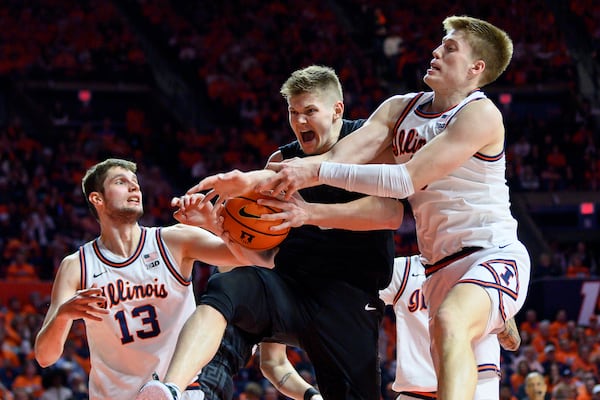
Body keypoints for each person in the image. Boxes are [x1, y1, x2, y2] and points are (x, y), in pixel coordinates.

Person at [225, 16, 531, 400]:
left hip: (491, 253)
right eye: (440, 44)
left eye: (450, 48)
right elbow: (338, 155)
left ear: (476, 68)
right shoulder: (399, 109)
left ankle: (499, 311)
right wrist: (250, 180)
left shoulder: (479, 114)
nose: (436, 51)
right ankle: (499, 316)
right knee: (444, 340)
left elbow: (405, 180)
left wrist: (311, 174)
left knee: (451, 321)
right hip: (436, 267)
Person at [136, 65, 404, 400]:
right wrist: (217, 227)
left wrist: (309, 213)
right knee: (228, 286)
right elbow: (265, 257)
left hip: (349, 298)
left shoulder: (368, 143)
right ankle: (174, 389)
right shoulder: (281, 161)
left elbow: (390, 213)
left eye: (310, 111)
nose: (300, 122)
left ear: (337, 110)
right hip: (290, 289)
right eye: (293, 112)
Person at [33, 158, 275, 400]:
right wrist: (63, 315)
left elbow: (257, 259)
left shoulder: (174, 241)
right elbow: (45, 357)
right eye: (121, 182)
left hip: (179, 391)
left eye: (135, 183)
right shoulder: (77, 265)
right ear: (97, 199)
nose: (134, 187)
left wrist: (214, 225)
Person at [380, 254, 502, 400]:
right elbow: (356, 292)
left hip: (477, 381)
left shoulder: (485, 258)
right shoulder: (405, 268)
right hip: (418, 388)